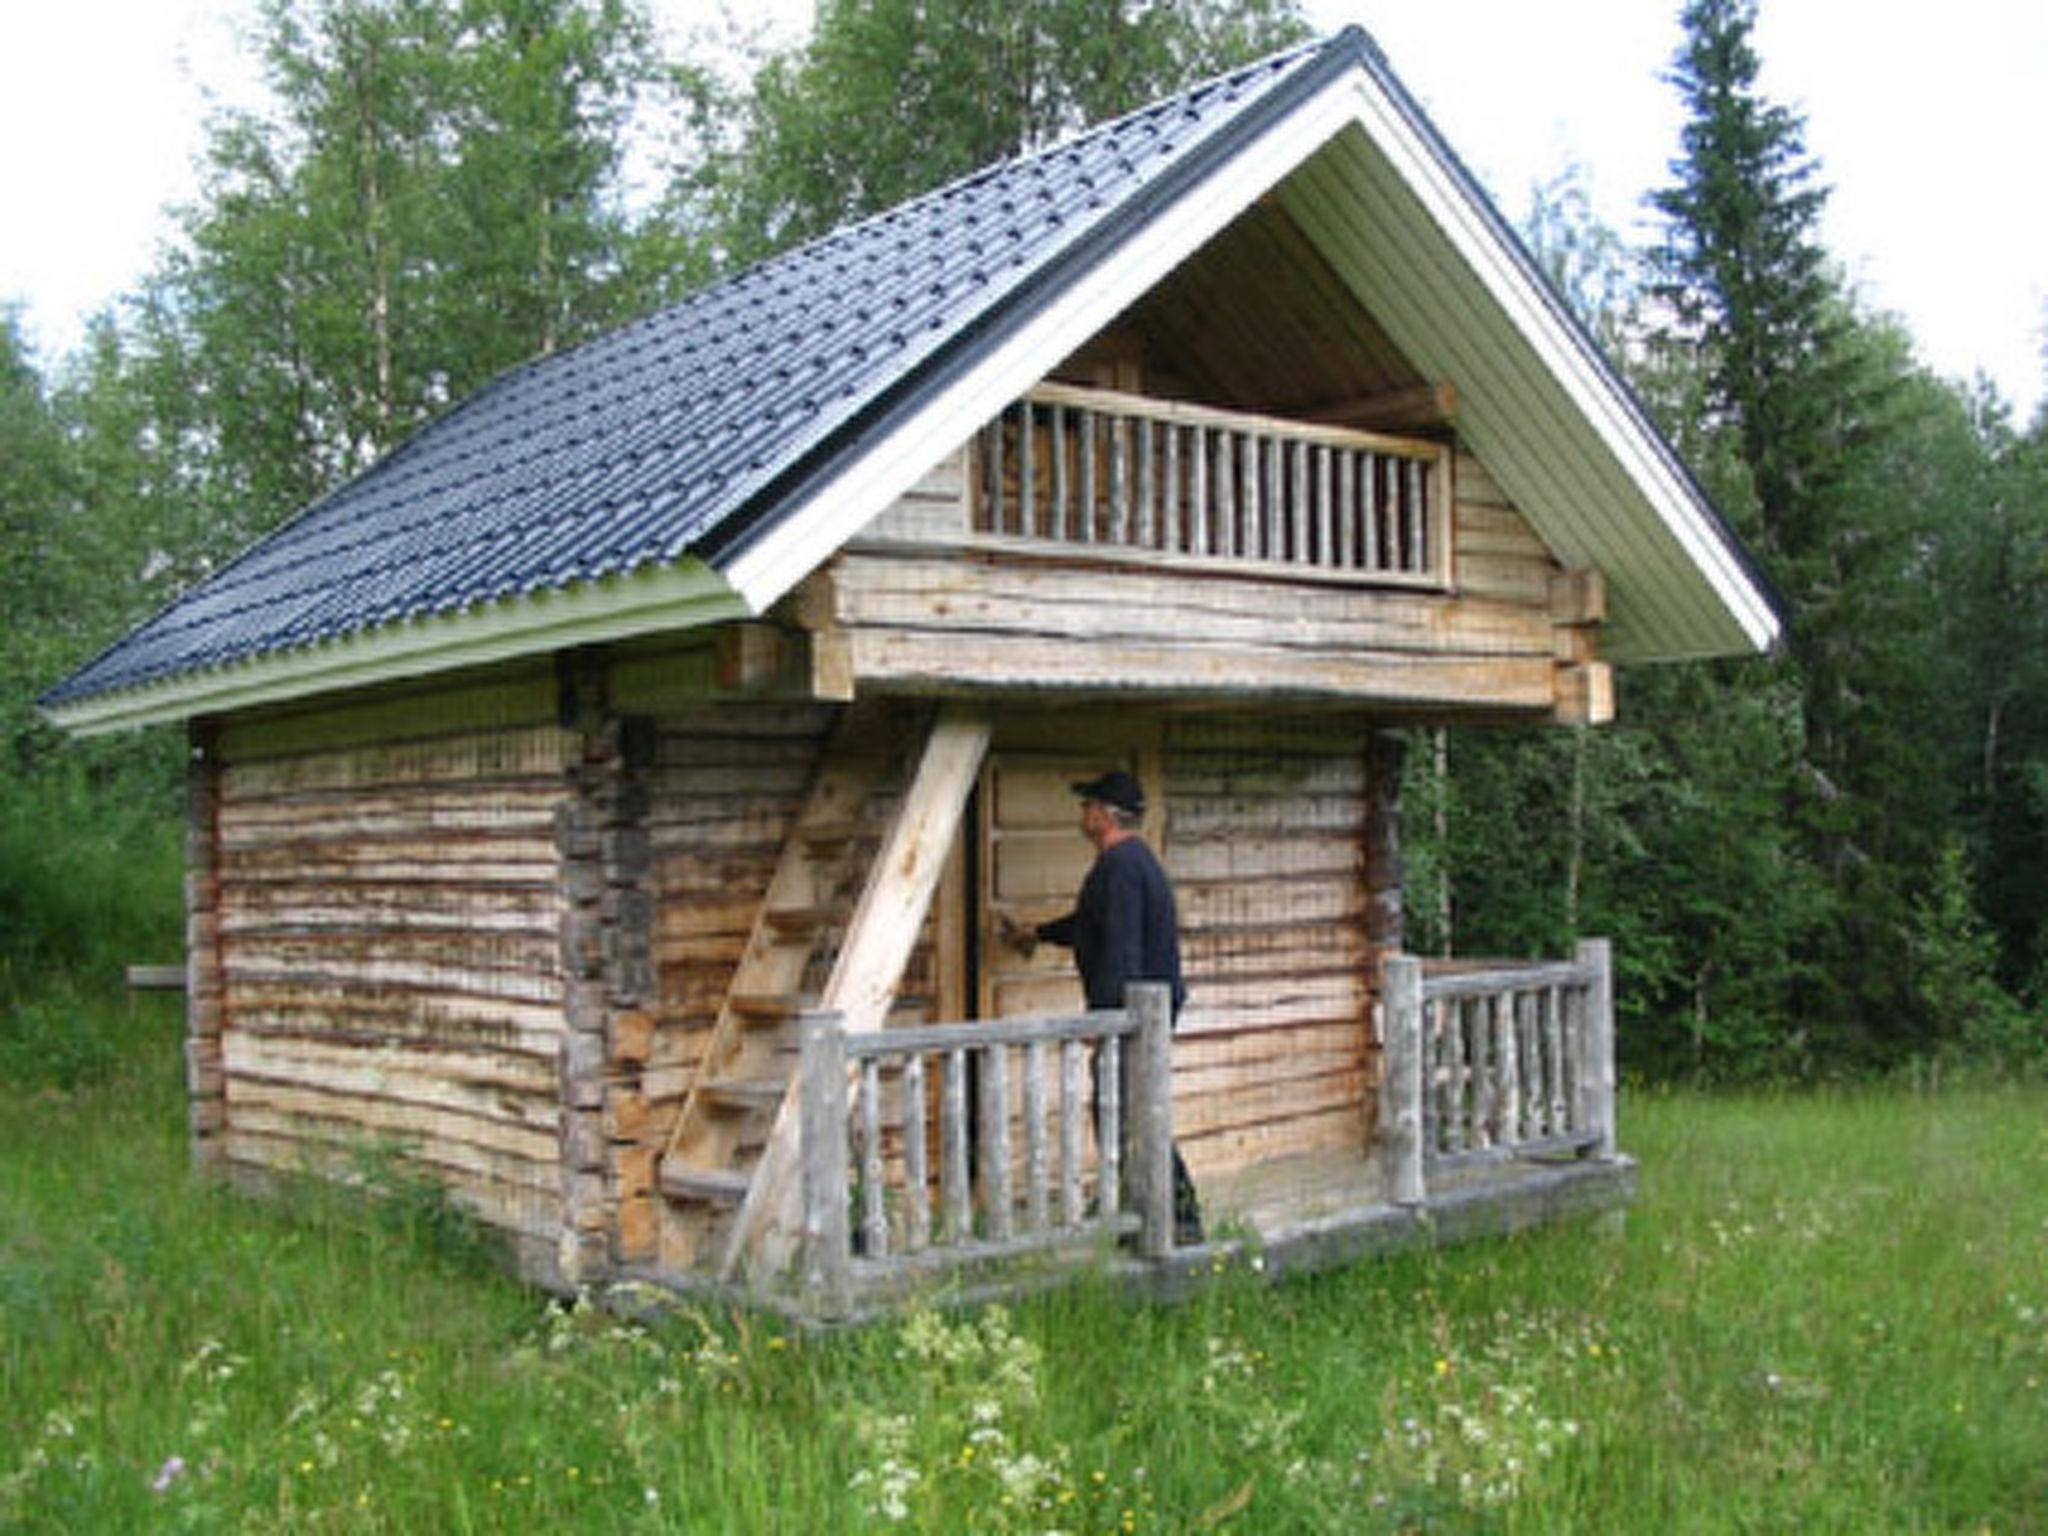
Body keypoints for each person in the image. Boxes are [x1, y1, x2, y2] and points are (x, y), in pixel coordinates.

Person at [1002, 769, 1203, 1245]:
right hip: (1138, 1016)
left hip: (1135, 1020)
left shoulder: (1123, 868)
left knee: (1130, 1115)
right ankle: (1150, 1215)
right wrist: (1038, 933)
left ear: (1104, 815)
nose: (1082, 813)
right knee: (1128, 1113)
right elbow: (1092, 924)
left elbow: (1123, 948)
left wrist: (1108, 1017)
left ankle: (1176, 1220)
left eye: (1087, 805)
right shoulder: (1125, 865)